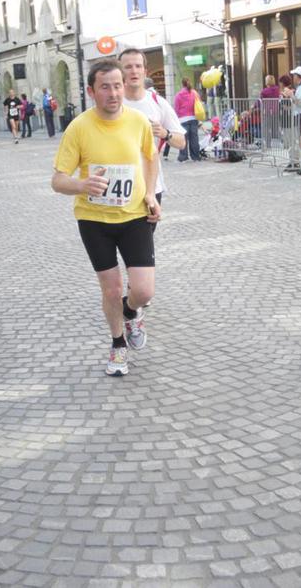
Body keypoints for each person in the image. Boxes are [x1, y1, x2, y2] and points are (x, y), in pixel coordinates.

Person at [51, 59, 160, 377]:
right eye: (105, 87)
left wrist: (150, 194)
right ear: (91, 91)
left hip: (134, 215)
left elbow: (151, 157)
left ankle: (131, 311)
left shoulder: (138, 121)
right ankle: (117, 345)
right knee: (111, 289)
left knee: (144, 291)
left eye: (117, 86)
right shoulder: (79, 128)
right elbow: (58, 180)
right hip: (94, 220)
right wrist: (82, 185)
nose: (113, 93)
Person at [120, 47, 186, 232]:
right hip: (118, 185)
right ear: (120, 72)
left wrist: (165, 133)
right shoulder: (113, 102)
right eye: (128, 67)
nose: (133, 71)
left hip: (149, 187)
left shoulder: (157, 102)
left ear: (145, 71)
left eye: (138, 66)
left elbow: (181, 142)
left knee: (142, 245)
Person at [173, 79, 202, 162]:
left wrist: (177, 118)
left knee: (183, 139)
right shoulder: (194, 93)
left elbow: (176, 109)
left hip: (183, 120)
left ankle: (183, 157)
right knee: (194, 139)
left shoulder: (178, 95)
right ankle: (195, 157)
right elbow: (199, 104)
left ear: (182, 84)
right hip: (193, 118)